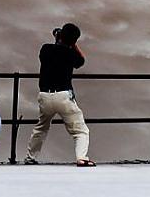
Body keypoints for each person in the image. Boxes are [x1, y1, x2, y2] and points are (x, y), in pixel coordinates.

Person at [24, 23, 96, 167]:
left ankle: (30, 158)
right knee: (80, 131)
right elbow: (81, 61)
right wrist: (73, 45)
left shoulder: (45, 49)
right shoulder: (71, 54)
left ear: (60, 36)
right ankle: (81, 158)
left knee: (41, 128)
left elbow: (54, 50)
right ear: (74, 41)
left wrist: (59, 38)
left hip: (44, 95)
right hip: (63, 96)